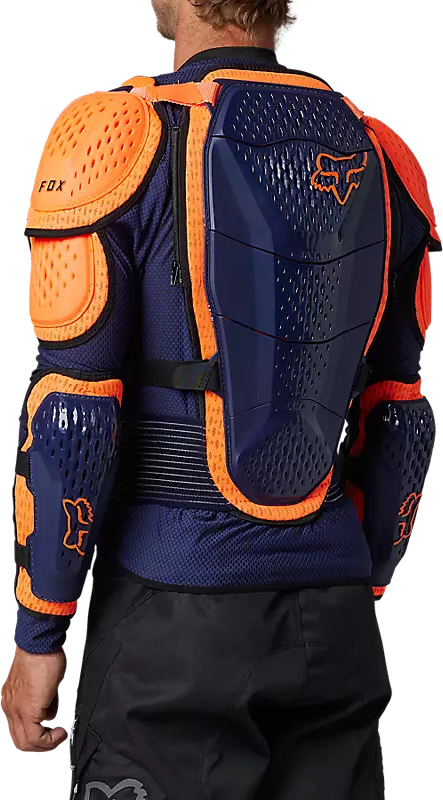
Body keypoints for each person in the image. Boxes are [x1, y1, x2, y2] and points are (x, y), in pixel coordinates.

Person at [2, 1, 440, 798]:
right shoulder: (383, 155)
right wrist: (357, 586)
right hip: (337, 630)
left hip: (174, 621)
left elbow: (73, 414)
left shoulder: (114, 136)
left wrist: (40, 635)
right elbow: (401, 418)